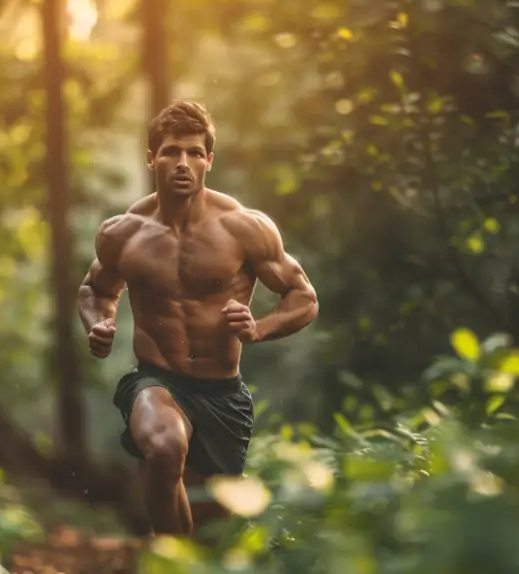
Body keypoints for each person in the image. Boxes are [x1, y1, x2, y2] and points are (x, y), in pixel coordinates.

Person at [76, 100, 319, 537]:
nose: (182, 163)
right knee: (166, 448)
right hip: (156, 379)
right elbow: (95, 289)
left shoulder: (244, 227)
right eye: (170, 151)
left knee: (213, 528)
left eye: (193, 152)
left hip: (222, 391)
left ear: (209, 159)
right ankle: (174, 563)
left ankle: (180, 554)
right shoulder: (123, 233)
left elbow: (303, 297)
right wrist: (98, 322)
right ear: (152, 159)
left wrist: (258, 329)